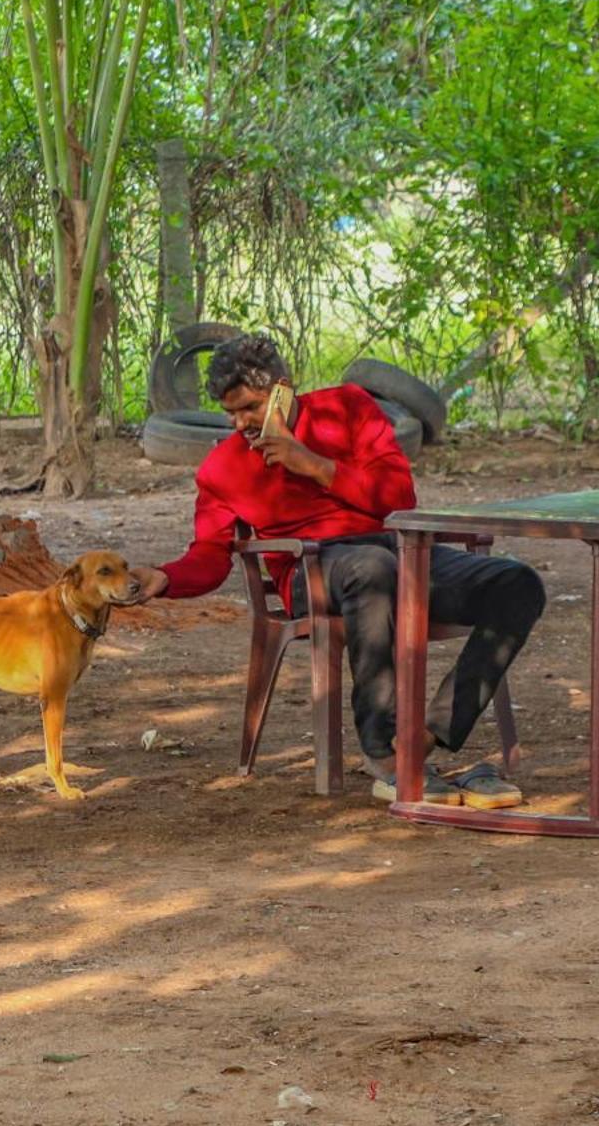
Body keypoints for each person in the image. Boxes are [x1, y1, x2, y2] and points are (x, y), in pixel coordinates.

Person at [135, 334, 544, 807]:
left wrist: (313, 465)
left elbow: (398, 497)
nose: (240, 423)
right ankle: (383, 753)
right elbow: (210, 554)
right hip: (315, 572)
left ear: (283, 391)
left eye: (250, 408)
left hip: (395, 552)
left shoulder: (348, 408)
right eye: (230, 413)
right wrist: (166, 578)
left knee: (517, 584)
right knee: (372, 570)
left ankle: (424, 741)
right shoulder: (221, 467)